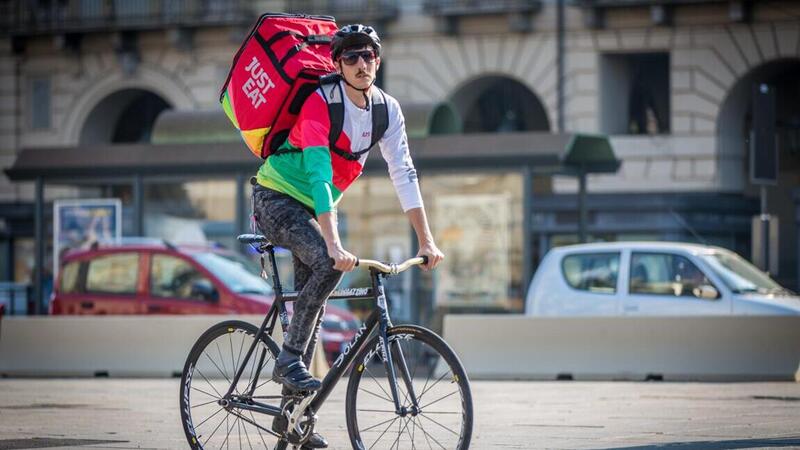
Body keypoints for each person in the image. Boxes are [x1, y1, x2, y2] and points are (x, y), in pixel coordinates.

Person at [251, 24, 444, 448]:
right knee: (326, 262)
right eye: (351, 57)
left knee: (313, 310)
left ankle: (292, 421)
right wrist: (333, 243)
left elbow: (404, 173)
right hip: (276, 197)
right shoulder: (322, 102)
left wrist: (426, 241)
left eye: (368, 56)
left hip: (313, 210)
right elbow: (320, 176)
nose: (361, 64)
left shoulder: (387, 111)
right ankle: (286, 361)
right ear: (337, 64)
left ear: (378, 60)